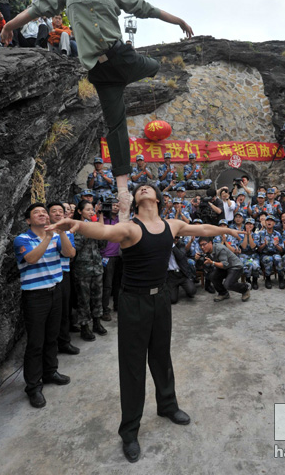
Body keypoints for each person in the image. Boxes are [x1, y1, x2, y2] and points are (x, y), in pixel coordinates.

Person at [1, 0, 193, 221]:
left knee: (152, 65)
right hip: (101, 72)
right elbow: (36, 9)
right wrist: (9, 26)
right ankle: (124, 193)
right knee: (115, 125)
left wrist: (178, 20)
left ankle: (152, 68)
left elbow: (145, 8)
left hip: (123, 58)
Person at [47, 183, 238, 463]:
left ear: (158, 198)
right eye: (140, 189)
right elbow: (103, 231)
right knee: (133, 366)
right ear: (136, 200)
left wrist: (226, 231)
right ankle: (129, 431)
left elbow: (201, 229)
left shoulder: (171, 225)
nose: (145, 189)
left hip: (160, 299)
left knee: (161, 356)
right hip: (133, 301)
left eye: (149, 188)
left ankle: (167, 405)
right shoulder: (130, 228)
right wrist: (77, 224)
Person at [13, 203, 75, 408]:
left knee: (52, 336)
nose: (42, 214)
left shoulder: (56, 236)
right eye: (36, 213)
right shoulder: (22, 239)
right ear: (28, 220)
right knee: (36, 342)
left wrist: (61, 232)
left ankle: (50, 372)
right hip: (35, 296)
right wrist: (48, 237)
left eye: (43, 212)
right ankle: (33, 386)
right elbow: (31, 259)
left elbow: (70, 254)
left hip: (55, 291)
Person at [47, 202, 79, 355]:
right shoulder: (41, 232)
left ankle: (64, 342)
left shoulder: (67, 232)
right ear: (48, 214)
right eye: (54, 211)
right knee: (50, 313)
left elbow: (70, 253)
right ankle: (50, 347)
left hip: (63, 273)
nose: (58, 213)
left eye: (61, 211)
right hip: (46, 275)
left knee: (64, 310)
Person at [72, 200, 107, 341]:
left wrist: (99, 229)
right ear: (79, 211)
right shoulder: (75, 227)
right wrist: (86, 230)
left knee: (97, 297)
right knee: (83, 299)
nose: (91, 212)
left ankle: (97, 322)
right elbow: (76, 247)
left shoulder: (94, 225)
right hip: (82, 269)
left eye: (92, 210)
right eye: (88, 210)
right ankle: (84, 326)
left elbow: (102, 245)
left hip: (97, 267)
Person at [199, 236, 250, 303]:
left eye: (204, 244)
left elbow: (224, 264)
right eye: (200, 245)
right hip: (224, 268)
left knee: (227, 284)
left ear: (210, 242)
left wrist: (212, 262)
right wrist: (197, 258)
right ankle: (223, 293)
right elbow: (202, 264)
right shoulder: (206, 250)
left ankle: (245, 289)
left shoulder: (220, 249)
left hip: (235, 267)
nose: (202, 247)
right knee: (212, 276)